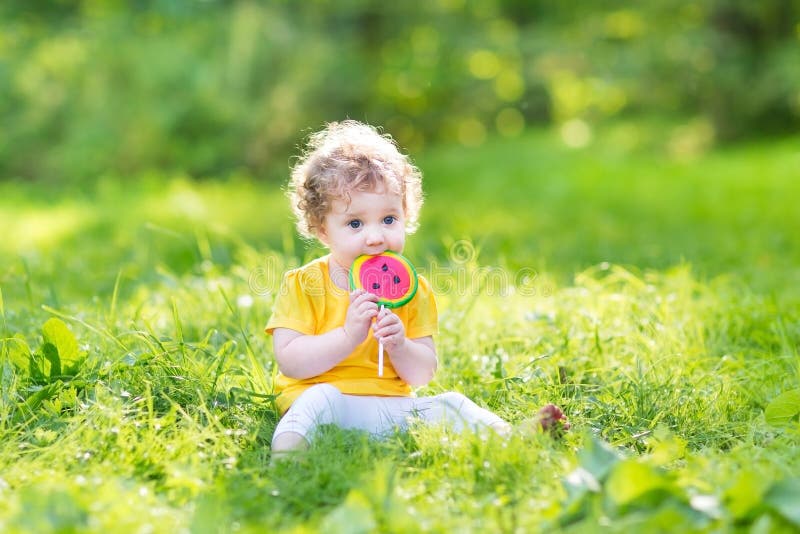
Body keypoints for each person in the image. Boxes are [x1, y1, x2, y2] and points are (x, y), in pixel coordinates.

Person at [266, 120, 567, 457]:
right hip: (327, 400)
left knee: (451, 403)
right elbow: (291, 362)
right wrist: (348, 335)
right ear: (323, 231)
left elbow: (422, 373)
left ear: (406, 215)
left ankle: (511, 437)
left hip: (391, 409)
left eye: (389, 219)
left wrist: (400, 346)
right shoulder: (305, 283)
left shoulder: (412, 290)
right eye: (355, 223)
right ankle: (288, 457)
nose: (376, 236)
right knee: (318, 400)